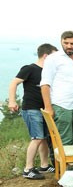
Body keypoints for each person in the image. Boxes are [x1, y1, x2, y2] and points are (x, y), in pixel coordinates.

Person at [8, 43, 59, 179]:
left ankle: (44, 165)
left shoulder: (48, 72)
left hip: (44, 110)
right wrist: (12, 101)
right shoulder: (29, 69)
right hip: (31, 109)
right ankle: (28, 169)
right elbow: (14, 83)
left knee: (43, 139)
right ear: (46, 56)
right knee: (37, 138)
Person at [40, 31, 73, 146]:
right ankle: (64, 165)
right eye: (65, 43)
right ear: (61, 42)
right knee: (64, 141)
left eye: (72, 43)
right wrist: (48, 108)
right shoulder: (53, 59)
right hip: (62, 105)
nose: (69, 46)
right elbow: (45, 84)